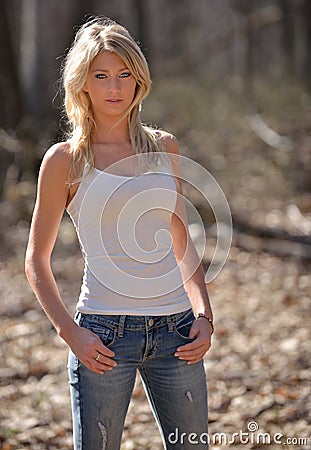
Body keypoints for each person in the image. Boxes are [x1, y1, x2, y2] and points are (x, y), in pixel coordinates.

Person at [25, 16, 214, 450]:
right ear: (83, 84)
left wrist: (204, 316)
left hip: (177, 334)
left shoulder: (164, 147)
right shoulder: (64, 161)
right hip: (102, 337)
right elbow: (36, 260)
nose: (115, 87)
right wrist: (70, 333)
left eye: (125, 74)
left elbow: (180, 239)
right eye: (102, 76)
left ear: (139, 80)